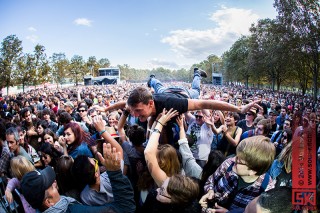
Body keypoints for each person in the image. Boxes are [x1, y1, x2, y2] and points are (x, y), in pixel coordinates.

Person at [20, 143, 136, 212]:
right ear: (48, 202)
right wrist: (114, 172)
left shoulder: (72, 200)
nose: (55, 183)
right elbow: (125, 209)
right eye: (52, 186)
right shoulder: (74, 210)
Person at [142, 108, 201, 212]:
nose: (157, 190)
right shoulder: (183, 180)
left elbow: (148, 153)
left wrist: (160, 123)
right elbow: (185, 148)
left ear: (162, 162)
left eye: (161, 191)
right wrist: (181, 127)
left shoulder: (167, 182)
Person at [200, 136, 275, 212]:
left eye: (239, 161)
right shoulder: (228, 164)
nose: (233, 159)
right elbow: (211, 181)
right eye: (236, 156)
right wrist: (209, 191)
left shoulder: (266, 188)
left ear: (253, 170)